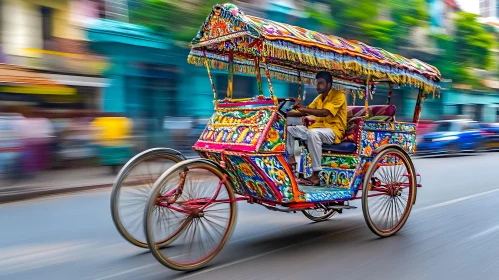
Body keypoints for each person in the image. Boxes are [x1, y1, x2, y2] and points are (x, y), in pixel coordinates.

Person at [286, 71, 347, 186]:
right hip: (318, 129)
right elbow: (304, 111)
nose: (318, 86)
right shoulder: (319, 98)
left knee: (312, 133)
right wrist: (284, 114)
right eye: (317, 83)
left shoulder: (339, 95)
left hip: (333, 131)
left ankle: (316, 174)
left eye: (321, 83)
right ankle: (291, 159)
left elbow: (325, 113)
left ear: (329, 85)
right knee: (290, 129)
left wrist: (304, 110)